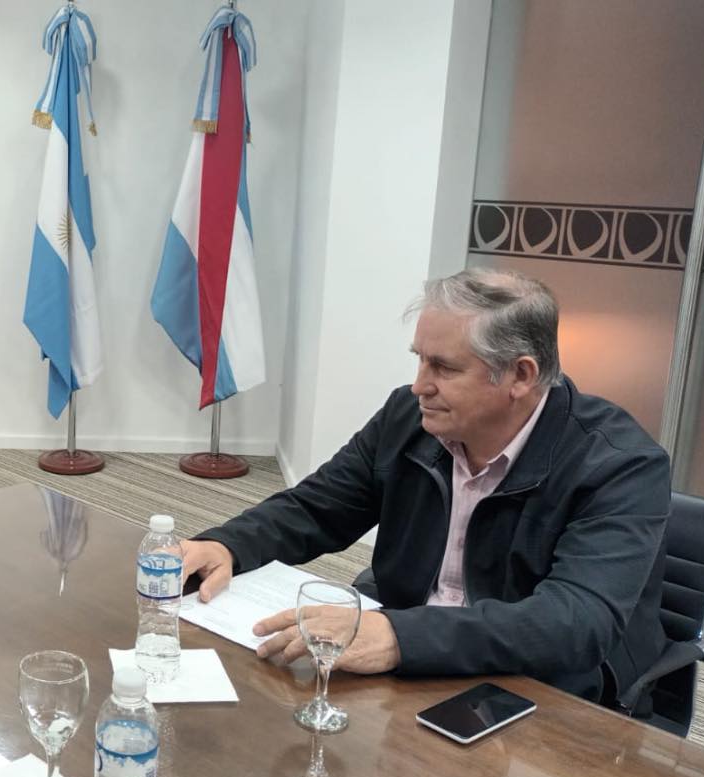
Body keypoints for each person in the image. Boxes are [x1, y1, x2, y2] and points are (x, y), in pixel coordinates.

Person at [182, 269, 671, 704]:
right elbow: (316, 507)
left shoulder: (620, 465)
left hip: (535, 687)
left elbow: (576, 622)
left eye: (444, 367)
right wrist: (228, 545)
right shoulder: (409, 417)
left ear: (521, 375)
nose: (420, 385)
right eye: (419, 360)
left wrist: (401, 637)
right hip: (411, 658)